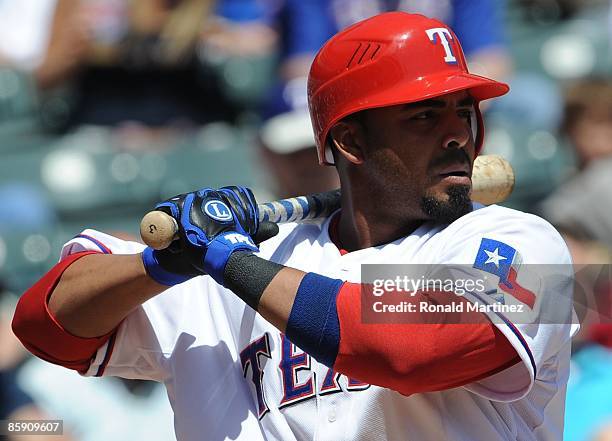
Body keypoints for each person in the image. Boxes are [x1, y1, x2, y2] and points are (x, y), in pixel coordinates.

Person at [13, 12, 577, 440]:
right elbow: (44, 325)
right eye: (426, 116)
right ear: (350, 141)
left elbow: (414, 350)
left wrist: (229, 263)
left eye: (464, 111)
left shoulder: (518, 242)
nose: (458, 135)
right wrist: (163, 263)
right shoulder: (245, 262)